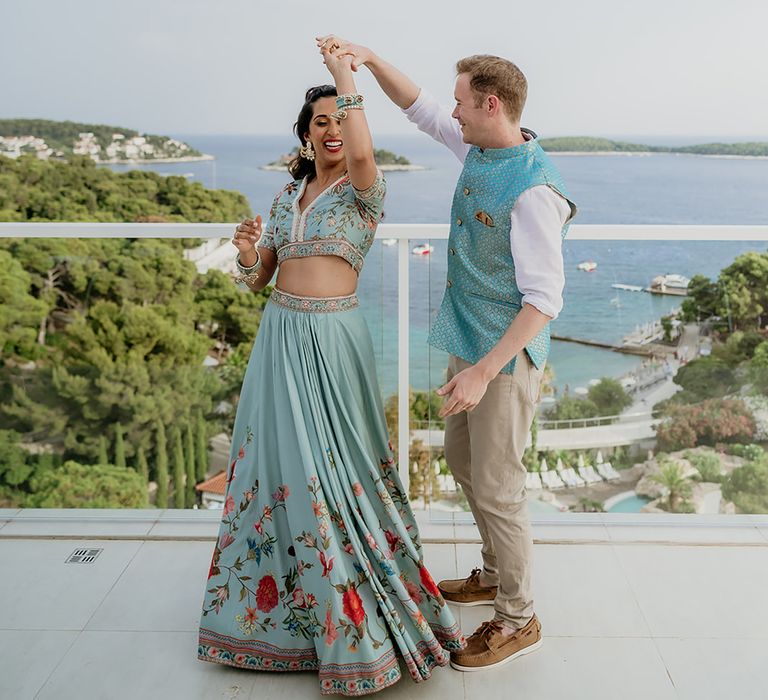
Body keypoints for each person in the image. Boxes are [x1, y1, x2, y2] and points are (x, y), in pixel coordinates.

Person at [197, 39, 464, 697]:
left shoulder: (366, 191)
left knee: (340, 470)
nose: (334, 130)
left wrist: (345, 75)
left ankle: (364, 617)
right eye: (321, 121)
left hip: (334, 339)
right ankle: (281, 627)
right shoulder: (289, 195)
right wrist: (245, 255)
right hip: (279, 337)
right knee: (280, 468)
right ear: (306, 133)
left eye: (341, 120)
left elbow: (368, 150)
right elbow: (258, 280)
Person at [317, 36, 577, 672]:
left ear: (491, 104)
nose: (453, 114)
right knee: (464, 463)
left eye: (464, 103)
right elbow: (421, 107)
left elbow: (545, 301)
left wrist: (486, 373)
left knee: (498, 486)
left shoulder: (532, 191)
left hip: (505, 360)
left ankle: (519, 617)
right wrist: (371, 61)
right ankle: (492, 574)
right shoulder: (485, 145)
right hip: (469, 339)